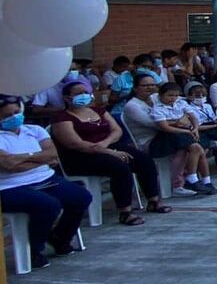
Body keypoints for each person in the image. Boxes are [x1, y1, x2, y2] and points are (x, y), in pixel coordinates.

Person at [51, 81, 169, 223]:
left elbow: (116, 130)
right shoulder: (62, 119)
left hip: (108, 146)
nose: (84, 95)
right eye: (78, 93)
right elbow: (76, 143)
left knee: (144, 160)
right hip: (81, 156)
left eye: (86, 92)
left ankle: (153, 200)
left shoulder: (99, 111)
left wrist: (106, 144)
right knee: (120, 168)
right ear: (67, 98)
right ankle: (125, 211)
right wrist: (108, 151)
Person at [0, 96, 93, 269]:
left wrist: (23, 159)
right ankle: (34, 251)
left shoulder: (34, 130)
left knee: (81, 197)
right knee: (48, 205)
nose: (14, 117)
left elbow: (52, 155)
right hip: (9, 187)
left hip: (45, 178)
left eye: (16, 112)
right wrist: (38, 158)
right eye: (6, 116)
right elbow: (9, 166)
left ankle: (60, 239)